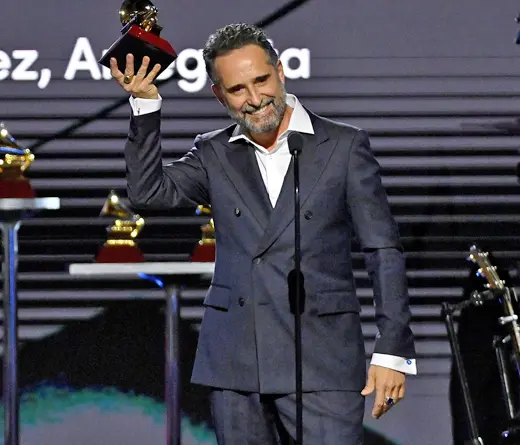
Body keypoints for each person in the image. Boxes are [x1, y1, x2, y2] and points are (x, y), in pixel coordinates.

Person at [110, 23, 417, 445]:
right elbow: (149, 193)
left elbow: (383, 251)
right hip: (238, 362)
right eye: (237, 90)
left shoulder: (344, 146)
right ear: (219, 95)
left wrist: (392, 348)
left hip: (322, 358)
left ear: (281, 71)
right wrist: (145, 105)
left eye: (261, 80)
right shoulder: (213, 152)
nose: (254, 99)